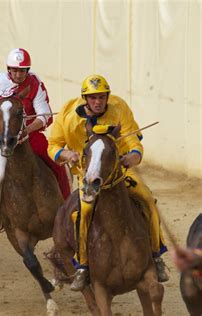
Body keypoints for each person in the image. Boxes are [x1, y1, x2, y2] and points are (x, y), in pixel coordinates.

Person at [48, 74, 170, 290]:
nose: (98, 102)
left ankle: (156, 255)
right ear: (85, 99)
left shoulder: (119, 108)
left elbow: (133, 140)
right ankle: (83, 266)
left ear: (107, 97)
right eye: (93, 98)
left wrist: (133, 155)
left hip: (119, 171)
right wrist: (67, 155)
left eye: (102, 97)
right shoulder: (69, 116)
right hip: (88, 175)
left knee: (148, 200)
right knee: (83, 213)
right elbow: (53, 145)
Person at [0, 48, 71, 250]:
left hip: (30, 136)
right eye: (15, 70)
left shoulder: (35, 84)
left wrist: (27, 128)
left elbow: (45, 115)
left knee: (58, 165)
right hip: (3, 140)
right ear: (8, 69)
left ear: (28, 70)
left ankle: (68, 211)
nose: (19, 74)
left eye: (23, 70)